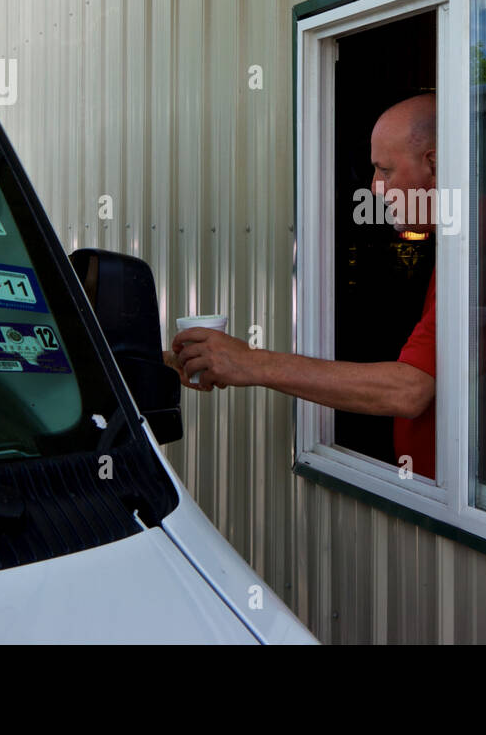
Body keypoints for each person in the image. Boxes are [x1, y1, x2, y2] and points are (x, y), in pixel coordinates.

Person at [170, 95, 440, 478]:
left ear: (433, 163)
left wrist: (249, 362)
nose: (375, 188)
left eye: (385, 170)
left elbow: (409, 390)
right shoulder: (459, 241)